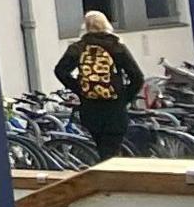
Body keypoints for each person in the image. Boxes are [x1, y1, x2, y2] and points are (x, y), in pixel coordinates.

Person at [57, 9, 149, 161]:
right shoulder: (116, 47)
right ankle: (111, 181)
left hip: (90, 109)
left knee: (101, 149)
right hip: (114, 109)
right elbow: (137, 77)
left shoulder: (78, 48)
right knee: (111, 152)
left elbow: (60, 71)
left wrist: (80, 89)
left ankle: (107, 178)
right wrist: (124, 97)